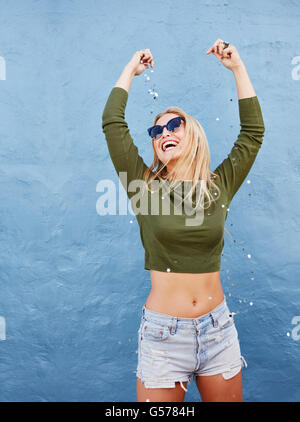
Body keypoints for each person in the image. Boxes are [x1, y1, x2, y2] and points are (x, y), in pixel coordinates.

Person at [101, 39, 265, 402]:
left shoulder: (219, 186)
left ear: (193, 136)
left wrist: (237, 68)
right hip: (163, 336)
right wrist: (130, 69)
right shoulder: (142, 187)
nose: (165, 133)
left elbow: (252, 134)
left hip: (218, 330)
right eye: (156, 131)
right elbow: (113, 124)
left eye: (175, 125)